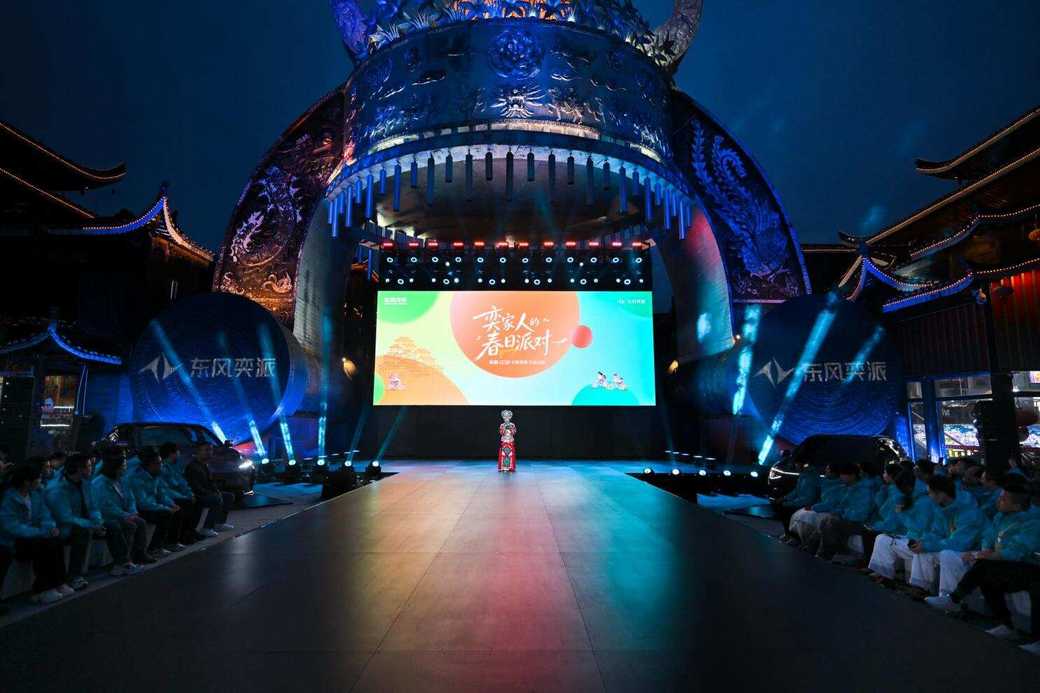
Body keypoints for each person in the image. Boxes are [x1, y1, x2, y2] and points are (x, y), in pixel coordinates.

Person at [925, 475, 1038, 611]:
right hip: (996, 558)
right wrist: (983, 551)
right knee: (950, 556)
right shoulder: (1000, 516)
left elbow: (1017, 551)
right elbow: (989, 536)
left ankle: (954, 600)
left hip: (1021, 565)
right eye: (1000, 497)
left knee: (984, 566)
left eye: (1003, 499)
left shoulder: (1032, 523)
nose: (998, 501)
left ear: (1017, 506)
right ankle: (948, 597)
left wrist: (984, 555)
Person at [874, 476, 987, 592]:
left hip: (974, 552)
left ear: (941, 494)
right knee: (923, 549)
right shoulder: (943, 508)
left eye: (930, 493)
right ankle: (921, 588)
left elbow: (960, 544)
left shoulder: (969, 512)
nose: (929, 496)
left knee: (945, 554)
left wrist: (927, 545)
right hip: (954, 547)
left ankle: (948, 596)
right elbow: (936, 532)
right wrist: (923, 542)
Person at [0, 462, 68, 604]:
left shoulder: (36, 494)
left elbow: (45, 514)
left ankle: (59, 582)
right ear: (27, 482)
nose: (41, 480)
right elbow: (12, 527)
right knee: (43, 544)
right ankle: (42, 589)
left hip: (33, 535)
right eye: (38, 478)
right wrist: (41, 532)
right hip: (13, 541)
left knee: (56, 540)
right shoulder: (9, 499)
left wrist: (50, 527)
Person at [45, 453, 105, 590]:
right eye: (89, 466)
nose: (92, 469)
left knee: (106, 525)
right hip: (60, 528)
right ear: (79, 469)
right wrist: (92, 525)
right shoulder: (57, 489)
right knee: (82, 533)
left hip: (81, 523)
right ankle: (74, 576)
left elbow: (93, 507)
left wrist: (97, 521)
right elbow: (65, 517)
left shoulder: (85, 483)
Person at [92, 450, 152, 572]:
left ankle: (138, 555)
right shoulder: (100, 483)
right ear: (115, 468)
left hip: (120, 514)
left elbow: (130, 498)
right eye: (123, 466)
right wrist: (125, 515)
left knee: (140, 522)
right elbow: (105, 507)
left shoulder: (122, 480)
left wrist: (132, 511)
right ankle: (122, 562)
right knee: (127, 525)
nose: (125, 468)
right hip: (105, 517)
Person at [815, 462, 879, 559]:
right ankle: (818, 549)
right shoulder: (850, 488)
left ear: (852, 476)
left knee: (832, 522)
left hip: (863, 523)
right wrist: (838, 512)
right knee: (826, 520)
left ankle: (828, 553)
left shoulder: (865, 491)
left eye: (843, 474)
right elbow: (842, 506)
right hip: (851, 519)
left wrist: (843, 514)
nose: (841, 477)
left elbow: (861, 515)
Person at [128, 448, 186, 555]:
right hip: (140, 509)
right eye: (158, 463)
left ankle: (171, 542)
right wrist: (165, 508)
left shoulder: (156, 476)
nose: (161, 466)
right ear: (150, 465)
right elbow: (143, 503)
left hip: (153, 506)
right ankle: (154, 548)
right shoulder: (136, 479)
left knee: (178, 510)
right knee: (165, 514)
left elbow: (162, 494)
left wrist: (171, 504)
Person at [788, 464, 843, 548]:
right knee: (802, 514)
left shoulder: (839, 487)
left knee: (808, 517)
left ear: (834, 473)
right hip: (821, 506)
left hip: (829, 510)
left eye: (828, 470)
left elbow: (831, 503)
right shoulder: (824, 482)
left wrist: (814, 507)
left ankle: (808, 543)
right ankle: (799, 539)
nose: (825, 471)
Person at [184, 443, 234, 534]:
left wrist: (216, 491)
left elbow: (211, 482)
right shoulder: (192, 466)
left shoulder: (205, 465)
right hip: (196, 494)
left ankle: (219, 523)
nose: (210, 452)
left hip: (205, 492)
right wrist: (211, 493)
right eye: (206, 450)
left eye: (210, 450)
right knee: (216, 499)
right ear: (198, 452)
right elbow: (195, 487)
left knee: (229, 496)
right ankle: (206, 528)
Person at [158, 442, 204, 543]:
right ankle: (181, 536)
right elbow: (165, 489)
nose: (179, 453)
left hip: (177, 495)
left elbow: (183, 483)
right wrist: (184, 496)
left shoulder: (175, 466)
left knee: (197, 501)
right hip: (169, 497)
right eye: (177, 451)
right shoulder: (162, 468)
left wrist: (190, 494)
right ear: (171, 454)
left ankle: (190, 531)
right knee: (186, 504)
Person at [773, 453, 821, 543]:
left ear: (802, 464)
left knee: (786, 509)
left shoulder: (811, 478)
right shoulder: (804, 475)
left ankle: (794, 537)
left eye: (797, 464)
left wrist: (789, 503)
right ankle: (788, 534)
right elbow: (796, 491)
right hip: (800, 501)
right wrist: (784, 498)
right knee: (780, 506)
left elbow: (808, 498)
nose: (795, 466)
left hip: (807, 504)